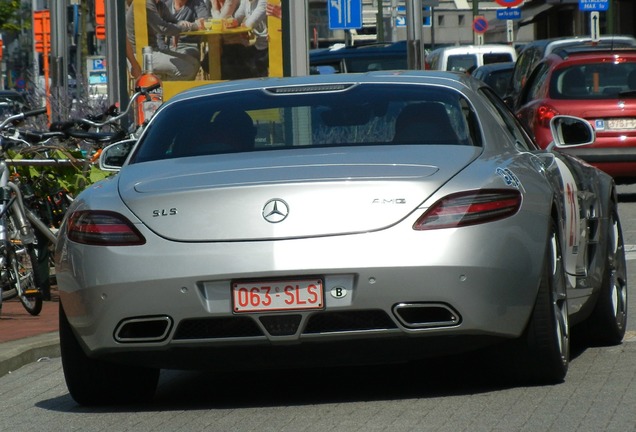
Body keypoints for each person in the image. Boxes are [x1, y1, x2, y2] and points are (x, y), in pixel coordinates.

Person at [126, 0, 203, 81]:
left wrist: (181, 23)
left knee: (194, 63)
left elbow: (172, 21)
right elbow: (163, 28)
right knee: (187, 69)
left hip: (153, 50)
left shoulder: (159, 4)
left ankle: (161, 85)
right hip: (139, 56)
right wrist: (194, 26)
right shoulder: (145, 2)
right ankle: (163, 90)